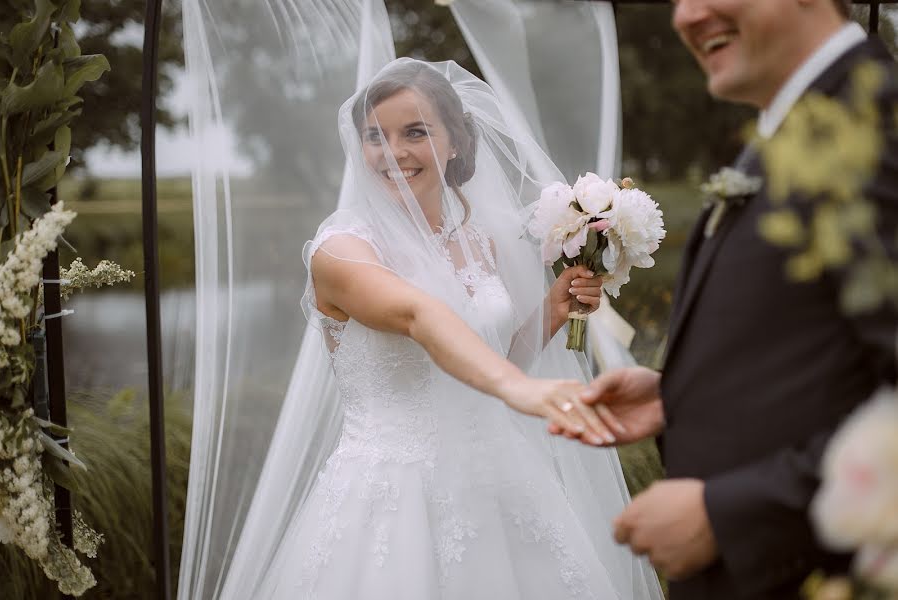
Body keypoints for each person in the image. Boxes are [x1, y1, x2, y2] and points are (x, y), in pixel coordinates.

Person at [250, 59, 663, 599]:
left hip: (497, 480)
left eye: (415, 132)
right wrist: (524, 391)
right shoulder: (342, 251)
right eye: (376, 136)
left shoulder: (476, 244)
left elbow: (496, 365)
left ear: (455, 144)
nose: (394, 153)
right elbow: (421, 318)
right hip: (391, 495)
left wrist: (553, 310)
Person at [565, 1, 898, 598]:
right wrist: (682, 393)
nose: (686, 16)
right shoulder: (793, 127)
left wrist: (729, 515)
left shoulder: (877, 130)